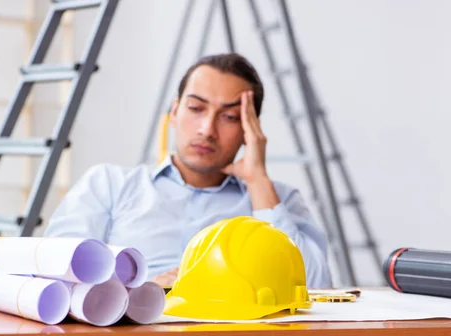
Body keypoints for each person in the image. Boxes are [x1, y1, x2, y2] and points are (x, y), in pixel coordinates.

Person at [44, 53, 332, 289]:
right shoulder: (108, 185)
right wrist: (141, 293)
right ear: (175, 111)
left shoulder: (277, 199)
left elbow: (317, 288)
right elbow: (55, 273)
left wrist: (258, 181)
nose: (207, 130)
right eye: (196, 108)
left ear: (249, 130)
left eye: (230, 117)